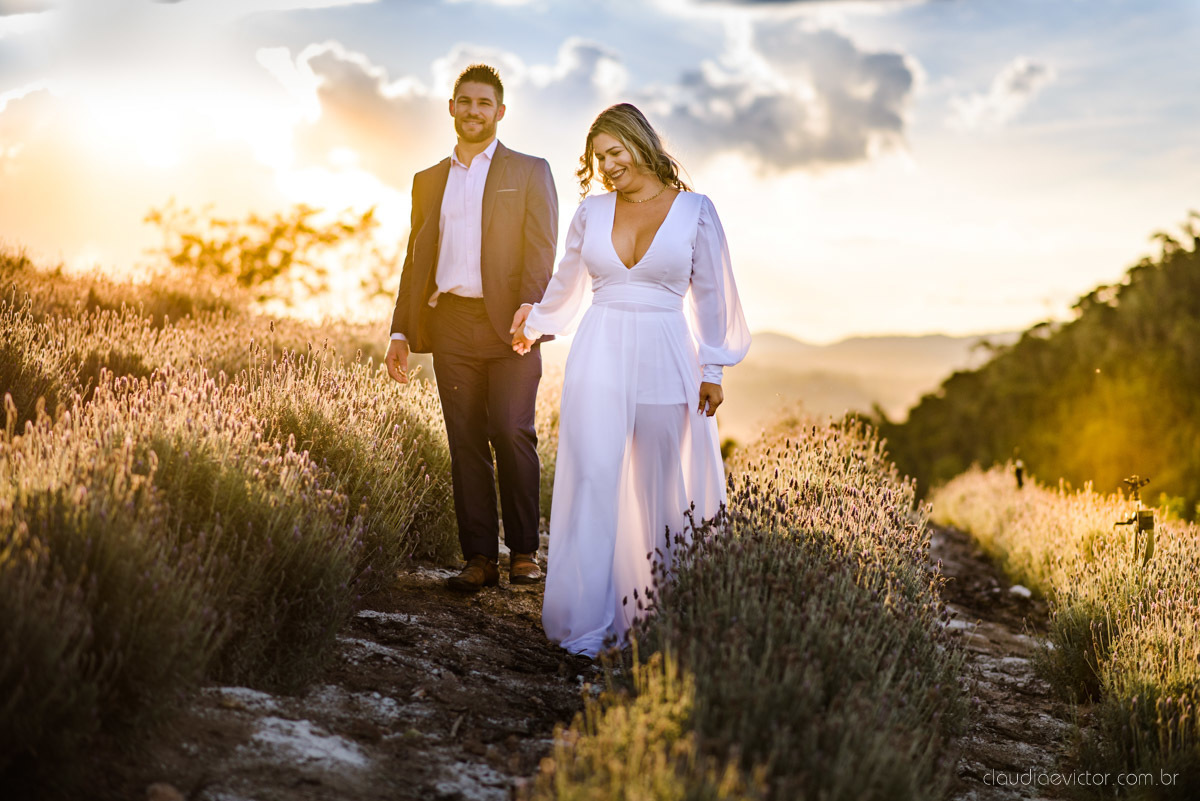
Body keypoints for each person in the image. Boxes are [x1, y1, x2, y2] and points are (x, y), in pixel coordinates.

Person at [510, 104, 751, 657]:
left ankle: (662, 615)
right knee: (595, 475)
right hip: (598, 352)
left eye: (615, 153)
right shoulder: (590, 213)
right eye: (599, 158)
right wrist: (537, 323)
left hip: (669, 353)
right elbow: (565, 283)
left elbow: (713, 294)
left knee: (661, 480)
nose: (608, 166)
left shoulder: (695, 211)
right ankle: (589, 619)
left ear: (642, 144)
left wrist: (713, 368)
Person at [385, 64, 559, 592]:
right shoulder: (428, 180)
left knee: (511, 430)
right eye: (465, 101)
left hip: (512, 327)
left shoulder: (530, 171)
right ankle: (479, 558)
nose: (473, 111)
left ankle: (524, 552)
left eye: (484, 103)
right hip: (452, 325)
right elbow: (415, 261)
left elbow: (542, 250)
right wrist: (400, 331)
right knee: (464, 441)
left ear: (500, 112)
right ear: (451, 108)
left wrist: (532, 310)